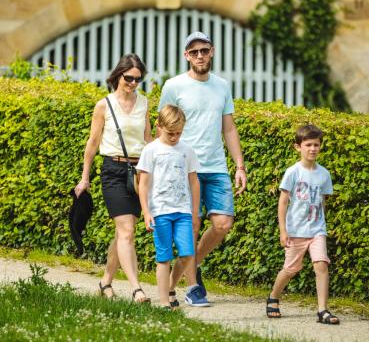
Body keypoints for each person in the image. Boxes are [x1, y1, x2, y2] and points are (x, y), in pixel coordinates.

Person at [158, 31, 247, 305]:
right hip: (185, 168)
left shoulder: (222, 86)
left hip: (216, 165)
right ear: (186, 55)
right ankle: (193, 288)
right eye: (194, 51)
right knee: (191, 225)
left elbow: (229, 128)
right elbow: (164, 124)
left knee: (222, 224)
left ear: (212, 51)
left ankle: (185, 272)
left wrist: (240, 165)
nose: (200, 55)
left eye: (204, 50)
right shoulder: (174, 86)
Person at [74, 53, 152, 303]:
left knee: (123, 234)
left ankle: (105, 282)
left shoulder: (145, 103)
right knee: (127, 230)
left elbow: (148, 141)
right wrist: (85, 177)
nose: (132, 83)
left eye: (138, 80)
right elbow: (93, 143)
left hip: (138, 172)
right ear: (118, 75)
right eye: (129, 78)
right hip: (113, 172)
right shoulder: (104, 105)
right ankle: (137, 289)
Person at [265, 125, 340, 324]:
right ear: (298, 147)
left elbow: (322, 201)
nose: (313, 149)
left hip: (317, 230)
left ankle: (322, 310)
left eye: (316, 145)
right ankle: (274, 297)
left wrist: (320, 224)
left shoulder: (324, 174)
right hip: (296, 230)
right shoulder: (293, 172)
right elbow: (283, 202)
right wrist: (283, 230)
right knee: (291, 269)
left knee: (321, 264)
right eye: (308, 145)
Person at [136, 105, 207, 309]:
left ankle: (170, 287)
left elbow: (194, 182)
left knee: (187, 253)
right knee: (164, 256)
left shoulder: (187, 150)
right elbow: (144, 183)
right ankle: (165, 302)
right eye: (170, 133)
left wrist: (195, 212)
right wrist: (146, 211)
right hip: (160, 212)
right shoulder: (151, 150)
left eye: (178, 133)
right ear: (159, 126)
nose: (175, 137)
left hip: (183, 211)